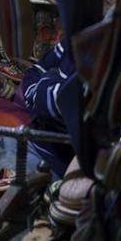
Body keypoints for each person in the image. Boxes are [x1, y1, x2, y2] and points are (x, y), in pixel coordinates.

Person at [19, 38, 75, 178]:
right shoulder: (71, 41)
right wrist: (52, 78)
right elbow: (35, 70)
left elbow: (56, 103)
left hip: (56, 159)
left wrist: (48, 77)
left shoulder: (102, 52)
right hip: (35, 137)